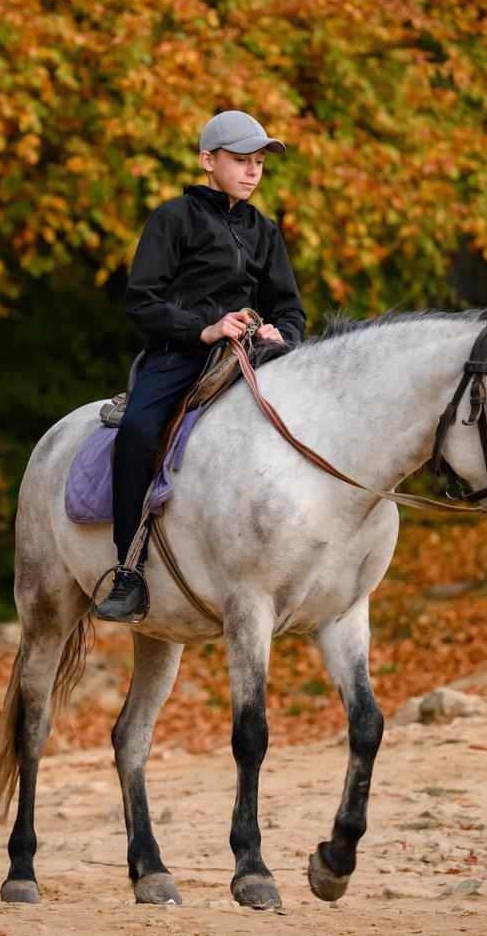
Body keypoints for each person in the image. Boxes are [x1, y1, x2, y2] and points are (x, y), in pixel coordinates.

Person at [94, 110, 307, 624]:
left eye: (258, 163)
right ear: (208, 161)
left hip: (255, 356)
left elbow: (289, 306)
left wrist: (286, 334)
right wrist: (205, 329)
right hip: (181, 354)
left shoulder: (264, 229)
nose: (253, 172)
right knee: (140, 433)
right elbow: (141, 301)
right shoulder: (173, 219)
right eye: (241, 161)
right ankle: (128, 569)